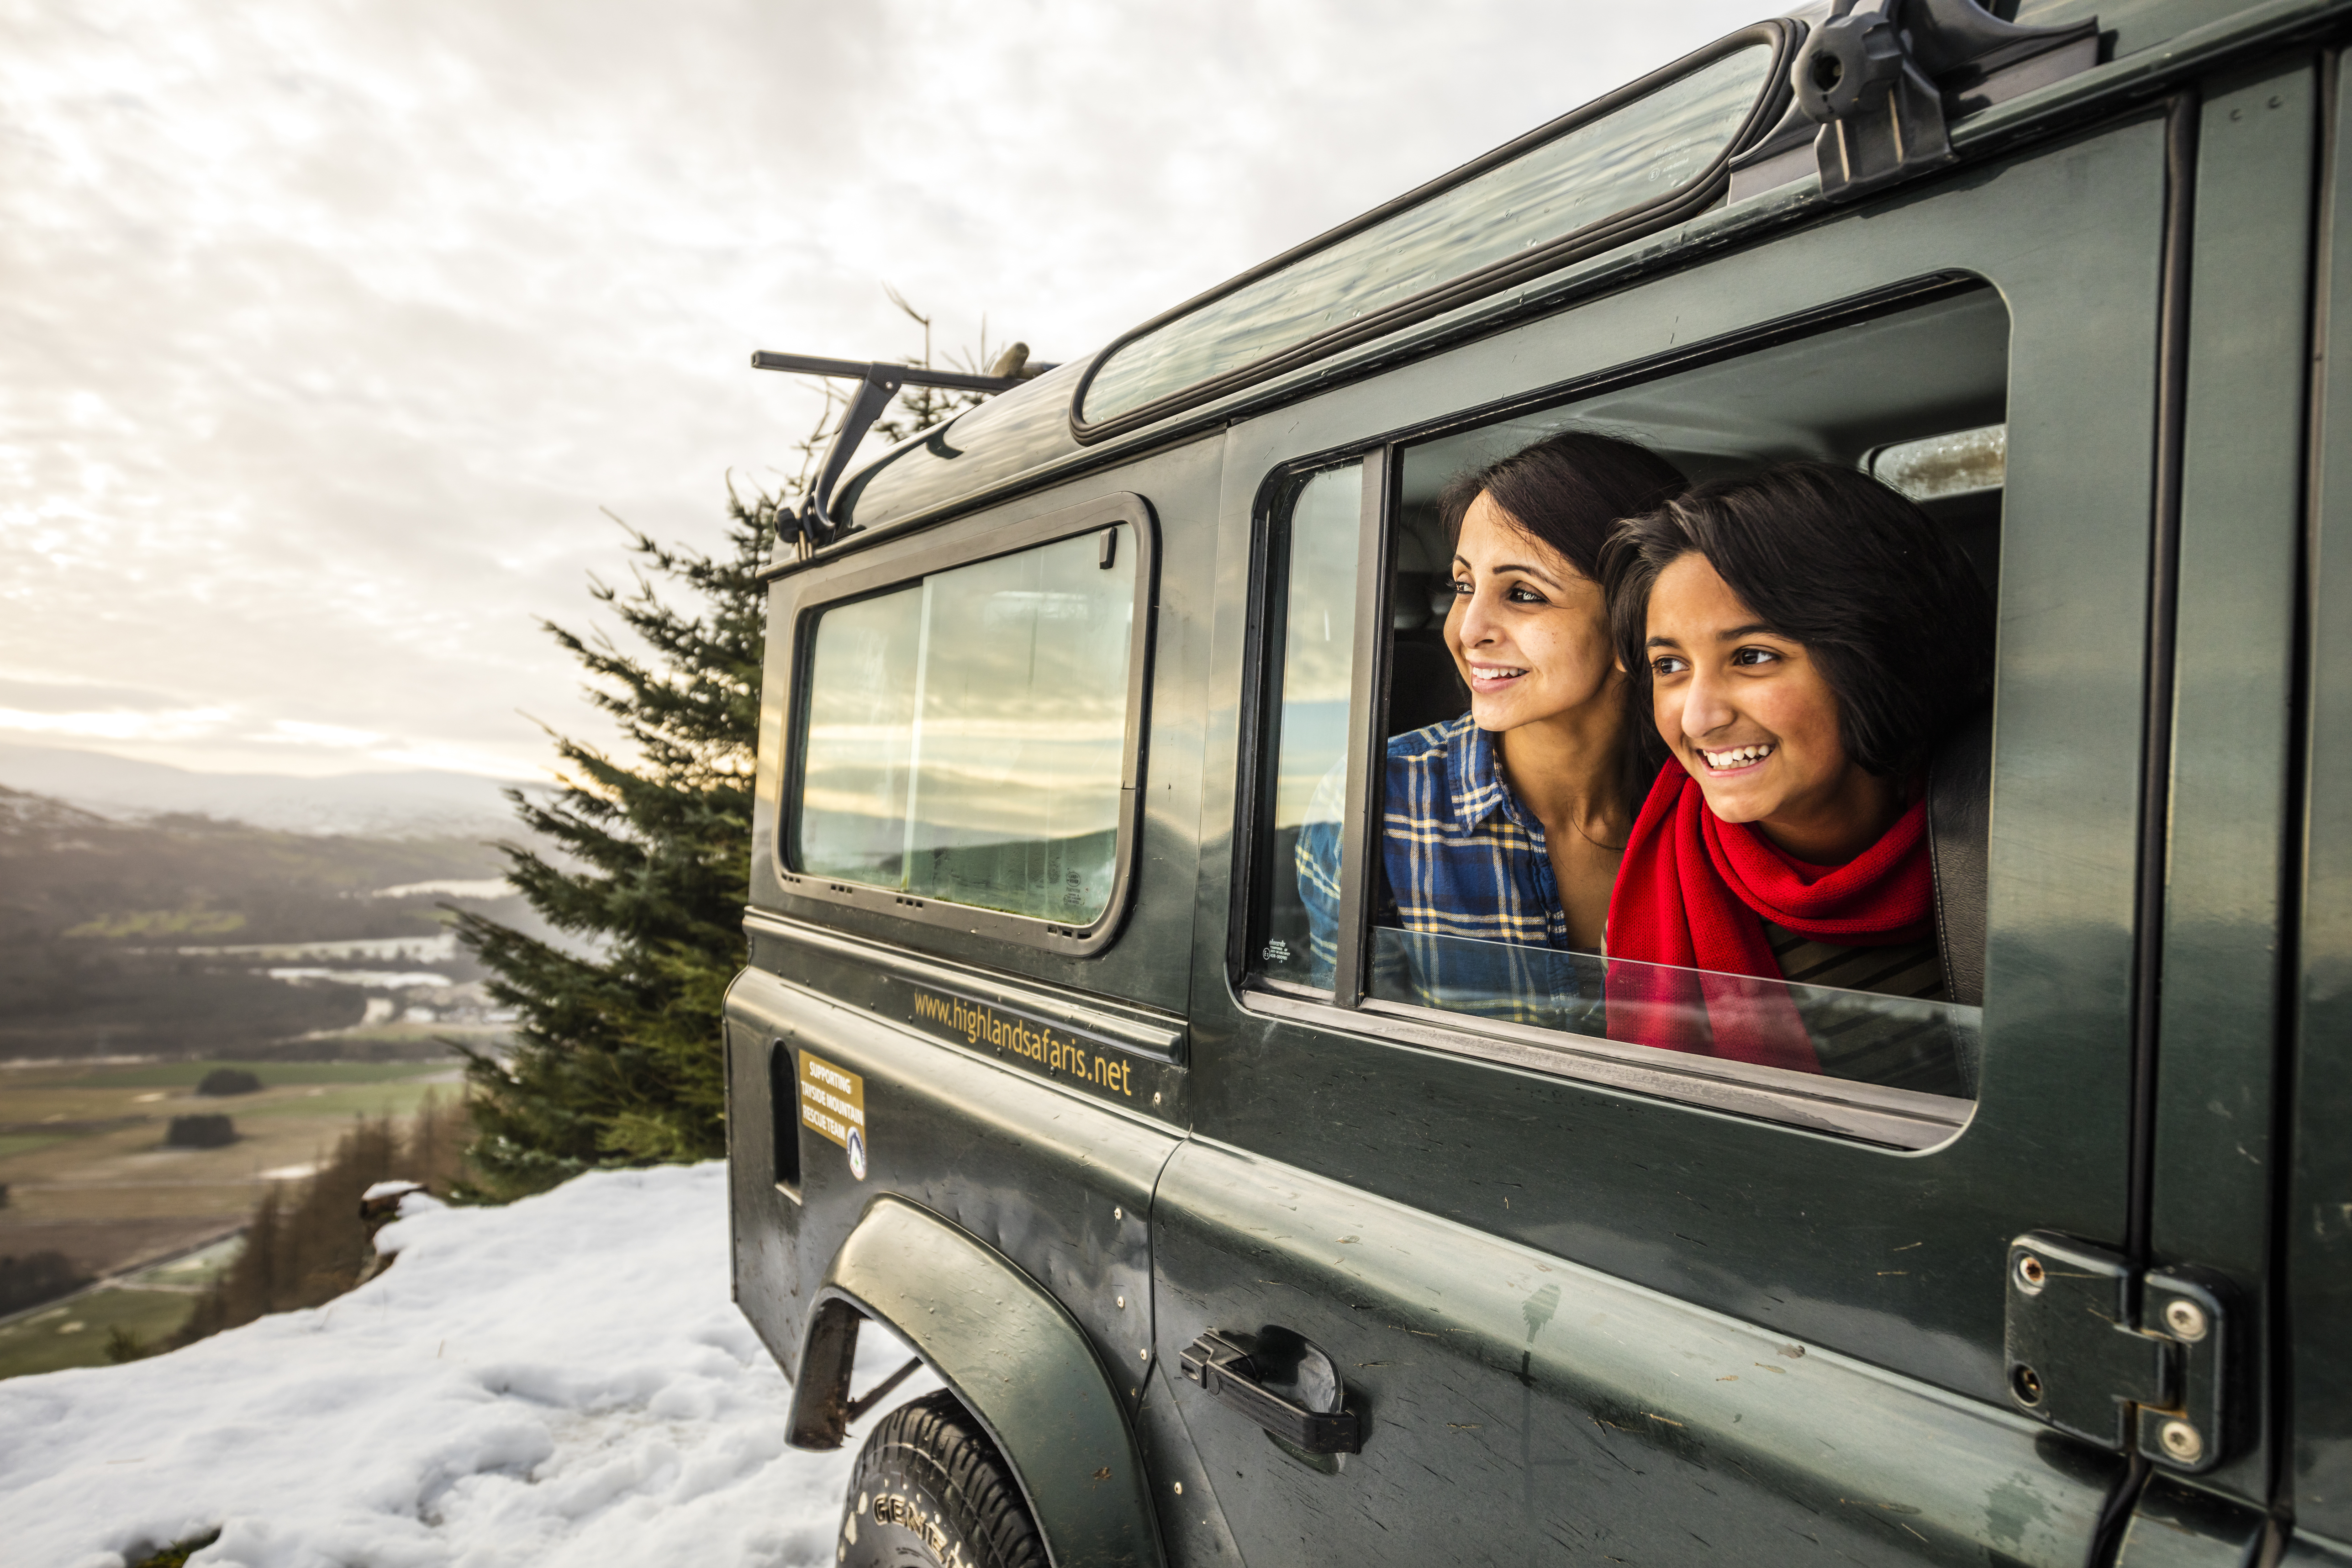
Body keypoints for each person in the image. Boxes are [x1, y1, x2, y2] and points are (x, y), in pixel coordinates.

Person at [1597, 461, 1995, 1076]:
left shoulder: (2021, 856)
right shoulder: (1650, 902)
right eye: (1669, 666)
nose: (1698, 718)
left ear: (1876, 655)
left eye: (1752, 656)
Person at [1297, 430, 1685, 1008]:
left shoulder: (1711, 792)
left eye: (1524, 594)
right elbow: (1353, 1065)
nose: (1466, 629)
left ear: (1636, 616)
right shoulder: (1376, 801)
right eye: (1462, 586)